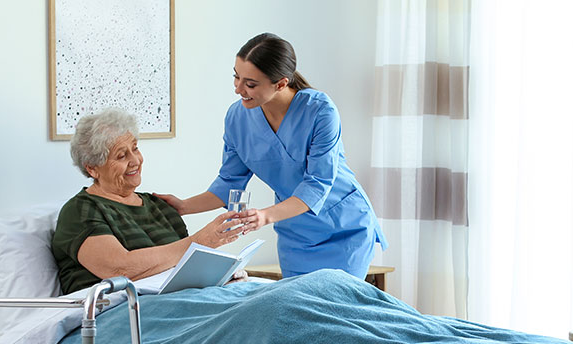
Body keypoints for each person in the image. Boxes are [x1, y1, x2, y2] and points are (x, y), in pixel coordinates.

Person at [158, 32, 387, 279]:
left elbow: (317, 185)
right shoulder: (237, 118)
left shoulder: (320, 111)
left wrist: (264, 216)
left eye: (250, 84)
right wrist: (183, 206)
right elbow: (229, 183)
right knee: (298, 311)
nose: (238, 89)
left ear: (280, 83)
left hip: (344, 229)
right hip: (295, 234)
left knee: (337, 309)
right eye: (236, 77)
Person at [52, 108, 242, 295]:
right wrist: (199, 242)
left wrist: (219, 276)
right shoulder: (80, 211)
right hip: (121, 312)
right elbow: (120, 270)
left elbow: (184, 268)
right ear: (93, 169)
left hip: (178, 301)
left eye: (135, 148)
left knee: (266, 298)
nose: (135, 160)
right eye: (121, 155)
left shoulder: (159, 207)